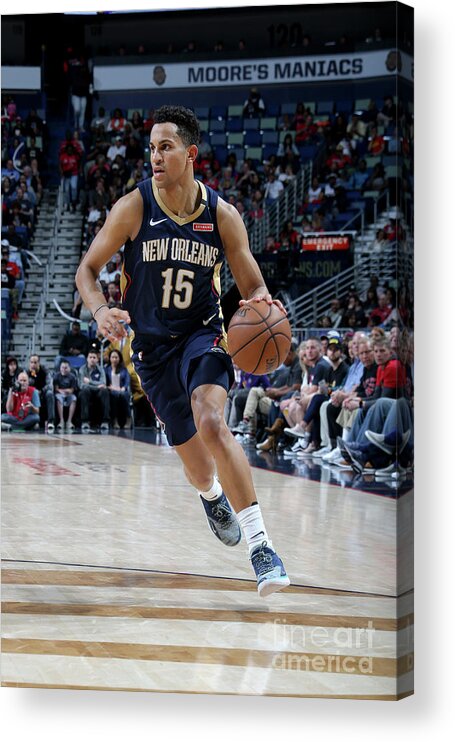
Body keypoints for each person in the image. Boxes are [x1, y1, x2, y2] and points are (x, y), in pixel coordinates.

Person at [75, 104, 290, 597]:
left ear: (190, 153)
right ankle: (213, 496)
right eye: (151, 148)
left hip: (204, 334)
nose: (155, 156)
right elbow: (87, 270)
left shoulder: (222, 215)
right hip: (150, 350)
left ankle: (262, 548)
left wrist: (262, 305)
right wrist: (100, 310)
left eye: (165, 147)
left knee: (212, 421)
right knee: (197, 468)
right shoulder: (133, 207)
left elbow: (252, 284)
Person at [78, 350, 110, 431]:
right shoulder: (82, 369)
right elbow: (81, 385)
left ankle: (105, 421)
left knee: (105, 391)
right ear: (87, 359)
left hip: (98, 392)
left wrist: (89, 382)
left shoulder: (101, 369)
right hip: (87, 391)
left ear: (97, 359)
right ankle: (85, 421)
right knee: (84, 390)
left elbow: (103, 383)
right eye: (90, 357)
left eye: (94, 357)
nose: (92, 359)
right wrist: (97, 386)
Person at [28, 354, 55, 432]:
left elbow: (50, 385)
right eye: (31, 362)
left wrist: (41, 391)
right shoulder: (27, 372)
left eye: (35, 362)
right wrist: (31, 375)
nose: (33, 364)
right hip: (33, 393)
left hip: (43, 392)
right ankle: (32, 421)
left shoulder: (45, 370)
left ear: (39, 363)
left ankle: (51, 421)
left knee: (50, 393)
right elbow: (25, 386)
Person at [105, 348, 131, 428]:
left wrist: (124, 388)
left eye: (116, 357)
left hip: (122, 389)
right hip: (111, 390)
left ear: (119, 358)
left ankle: (128, 420)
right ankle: (115, 421)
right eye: (113, 357)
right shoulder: (106, 369)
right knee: (114, 396)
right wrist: (109, 387)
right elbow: (105, 382)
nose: (114, 359)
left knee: (124, 395)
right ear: (110, 358)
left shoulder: (124, 369)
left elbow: (127, 381)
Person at [53, 360, 79, 430]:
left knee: (74, 399)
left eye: (66, 368)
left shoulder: (72, 376)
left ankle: (69, 421)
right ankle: (61, 420)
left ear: (69, 368)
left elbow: (72, 389)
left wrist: (67, 391)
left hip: (69, 394)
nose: (64, 369)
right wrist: (63, 391)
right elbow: (56, 389)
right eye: (62, 367)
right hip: (60, 394)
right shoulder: (56, 376)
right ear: (60, 368)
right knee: (59, 399)